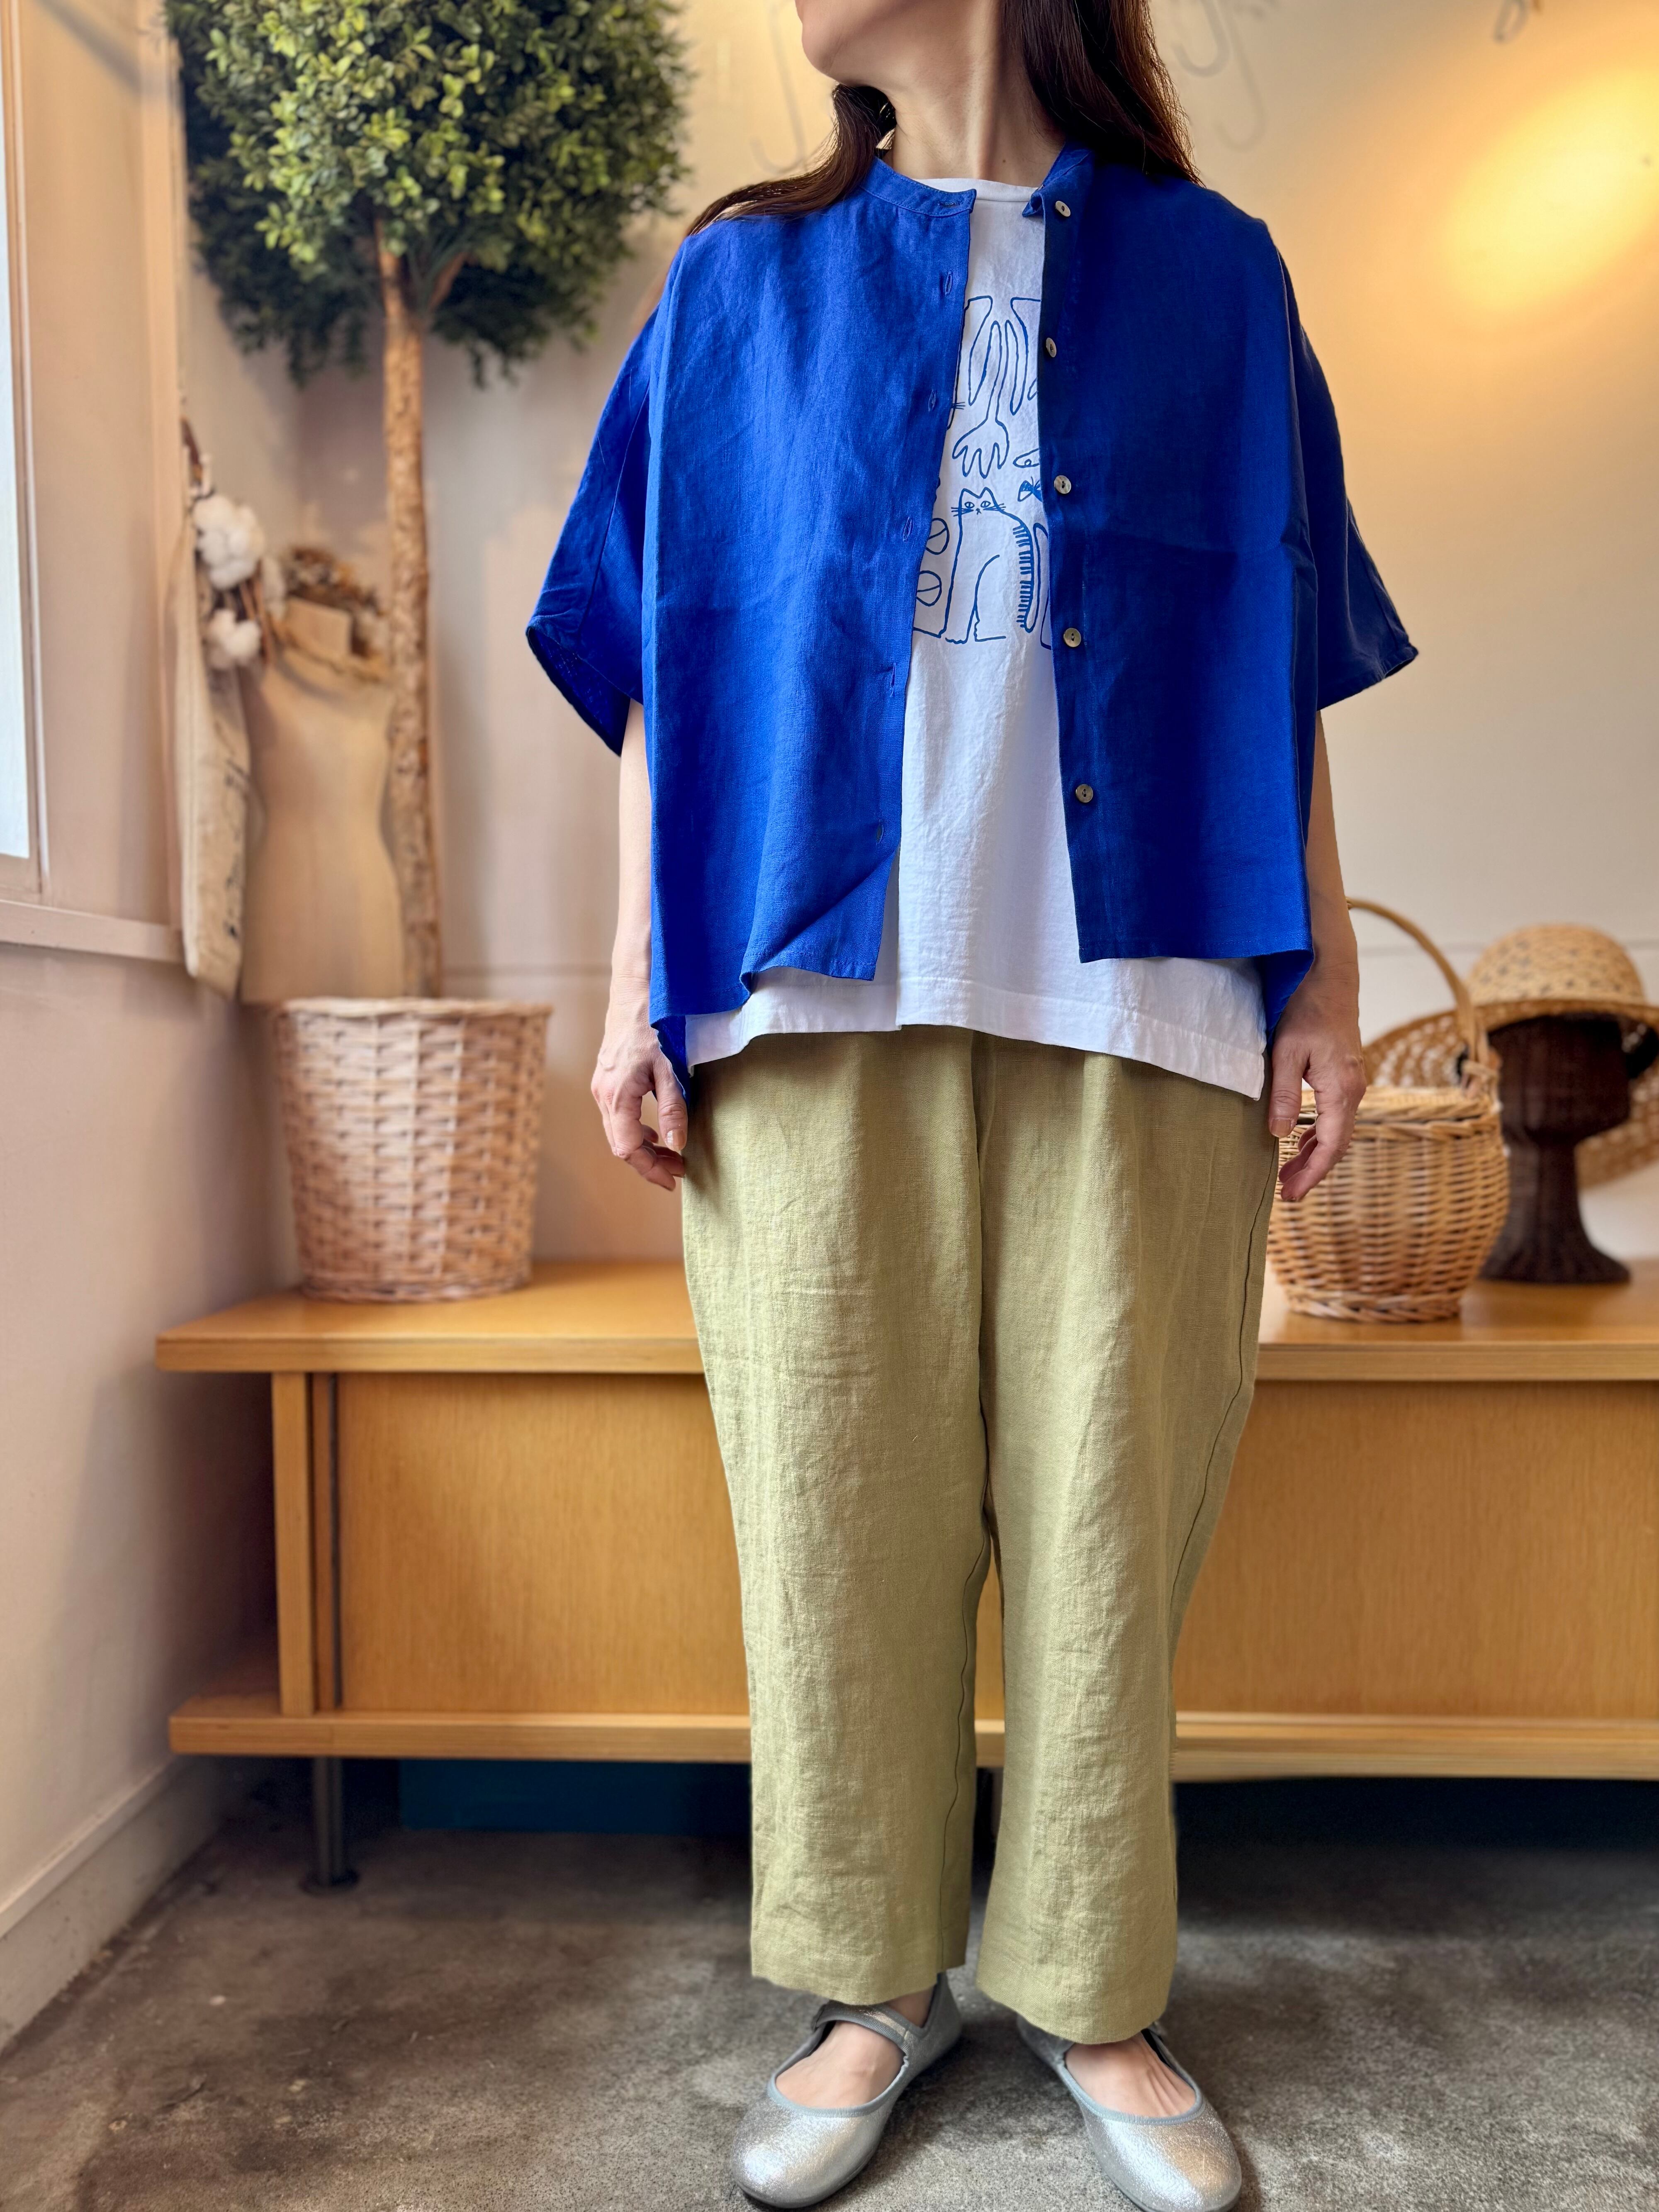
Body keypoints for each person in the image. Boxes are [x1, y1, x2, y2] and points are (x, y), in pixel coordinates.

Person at [528, 2, 1414, 2203]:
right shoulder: (738, 282)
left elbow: (1284, 652)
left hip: (1154, 985)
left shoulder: (1218, 277)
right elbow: (657, 655)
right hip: (804, 990)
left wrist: (1323, 977)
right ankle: (871, 1985)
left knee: (1111, 1523)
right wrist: (633, 983)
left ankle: (1094, 1989)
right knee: (835, 1518)